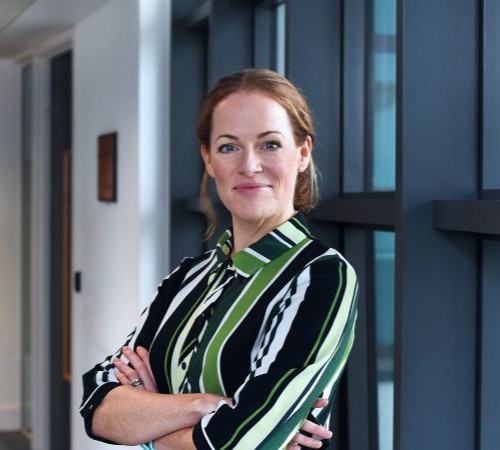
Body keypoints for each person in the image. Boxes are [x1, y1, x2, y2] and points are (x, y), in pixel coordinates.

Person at [80, 68, 358, 450]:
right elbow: (97, 406)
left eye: (270, 144)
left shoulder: (321, 276)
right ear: (208, 159)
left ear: (302, 153)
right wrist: (206, 406)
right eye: (229, 147)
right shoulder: (188, 277)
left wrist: (148, 424)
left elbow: (238, 443)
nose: (249, 166)